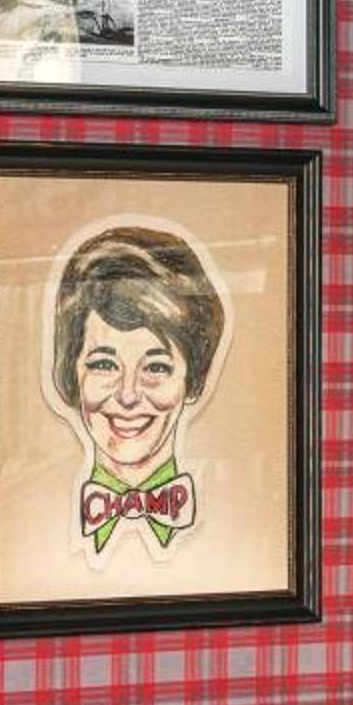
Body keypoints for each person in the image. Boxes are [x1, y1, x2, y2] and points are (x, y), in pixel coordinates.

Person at [47, 226, 227, 557]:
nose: (128, 396)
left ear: (192, 379)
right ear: (72, 372)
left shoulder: (238, 514)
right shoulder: (23, 509)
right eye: (104, 365)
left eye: (156, 368)